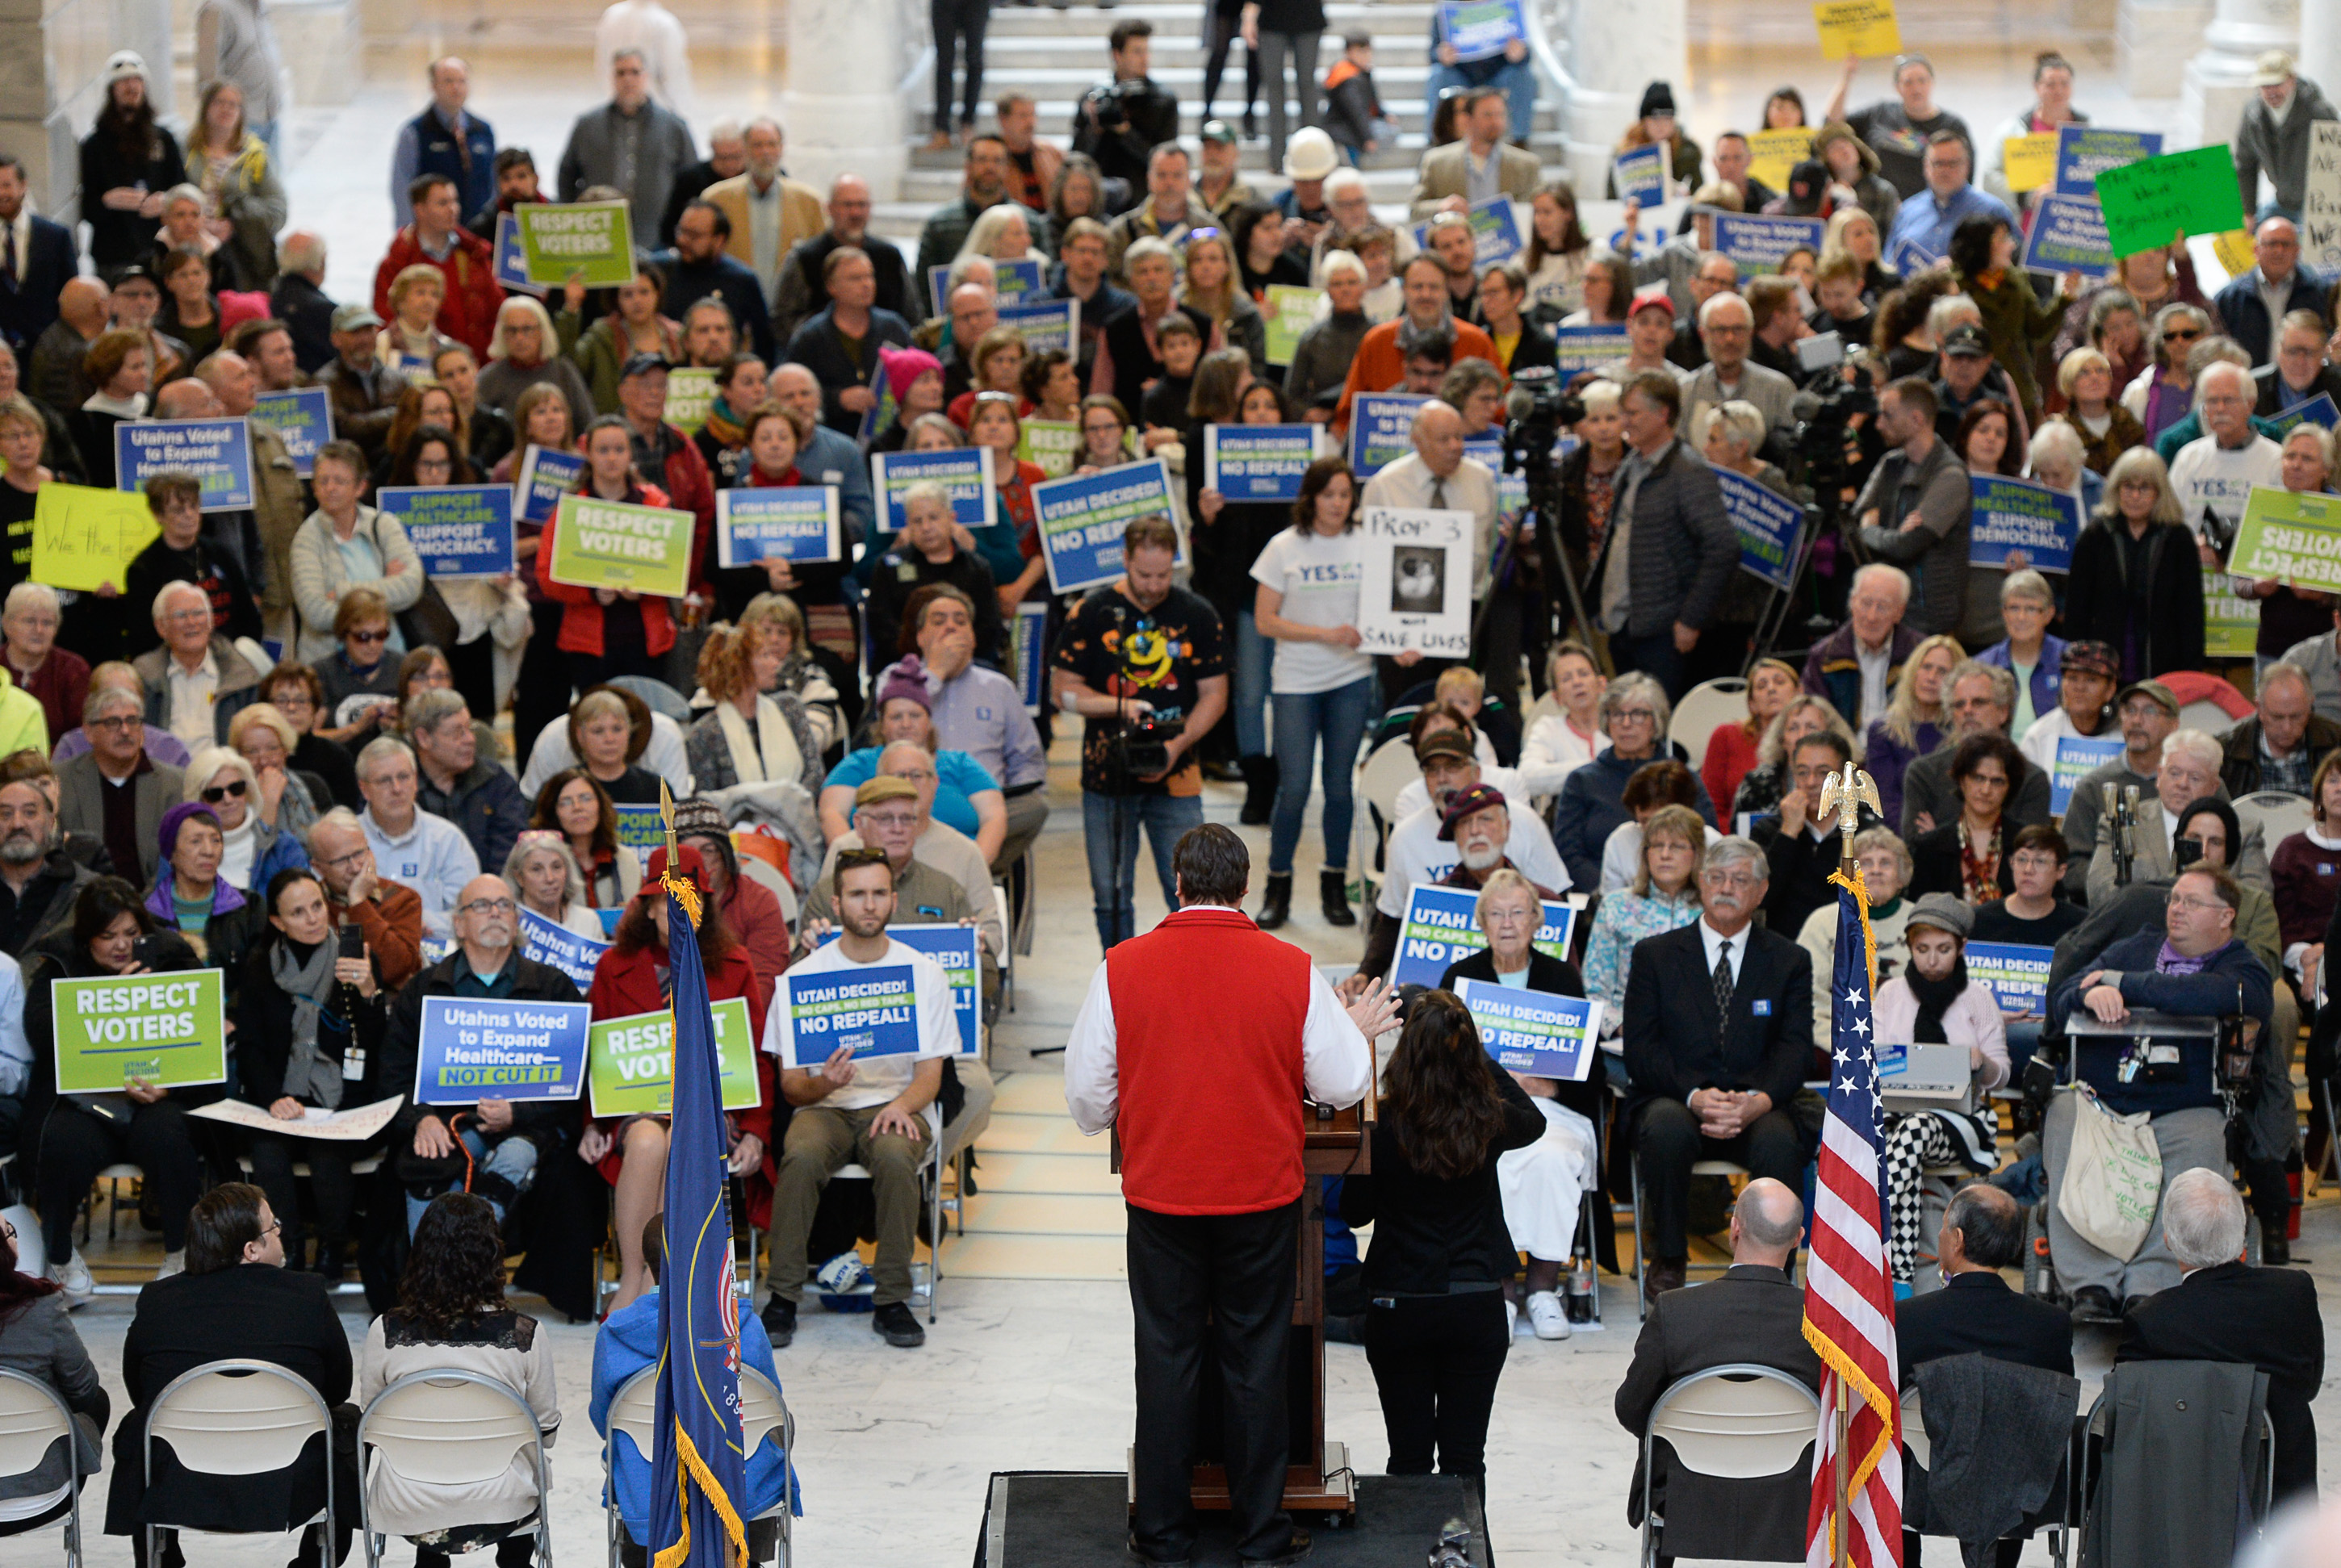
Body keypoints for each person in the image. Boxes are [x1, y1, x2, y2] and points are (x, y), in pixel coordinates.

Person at [1065, 823, 1384, 1567]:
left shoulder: (1122, 966)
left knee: (1167, 1359)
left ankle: (1165, 1535)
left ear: (1176, 884)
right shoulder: (1290, 966)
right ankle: (1262, 1535)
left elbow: (1086, 1100)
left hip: (1162, 1196)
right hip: (1261, 1197)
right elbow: (1341, 1085)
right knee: (1256, 1361)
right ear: (1246, 888)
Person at [1332, 986, 1542, 1486]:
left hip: (1399, 1304)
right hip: (1476, 1303)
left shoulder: (1381, 1124)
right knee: (1466, 1462)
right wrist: (1473, 1056)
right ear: (1469, 1049)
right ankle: (1461, 1561)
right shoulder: (1489, 1119)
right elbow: (1534, 1120)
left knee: (1407, 1460)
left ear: (1405, 1053)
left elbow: (1357, 1213)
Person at [2046, 864, 2272, 1317]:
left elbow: (2211, 997)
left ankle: (2151, 1285)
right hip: (2104, 1099)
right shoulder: (2138, 947)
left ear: (2226, 916)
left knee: (2205, 1139)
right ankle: (2091, 1284)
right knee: (2063, 1112)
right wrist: (2088, 995)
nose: (2177, 909)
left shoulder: (2243, 968)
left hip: (2185, 1105)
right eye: (2174, 899)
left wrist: (2122, 983)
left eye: (2192, 902)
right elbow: (2067, 989)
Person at [761, 848, 955, 1349]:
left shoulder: (923, 974)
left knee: (894, 1158)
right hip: (824, 1107)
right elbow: (792, 1088)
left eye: (878, 893)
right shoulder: (802, 978)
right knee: (800, 1156)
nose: (869, 905)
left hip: (897, 1102)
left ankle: (891, 1300)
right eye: (857, 894)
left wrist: (903, 1106)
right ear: (836, 901)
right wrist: (824, 1082)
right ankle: (782, 1296)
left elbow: (931, 1073)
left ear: (893, 899)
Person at [103, 1182, 353, 1567]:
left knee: (141, 1425)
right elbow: (337, 1388)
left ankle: (161, 1559)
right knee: (346, 1420)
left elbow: (143, 1393)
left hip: (182, 1477)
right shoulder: (308, 1295)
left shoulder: (158, 1300)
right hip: (290, 1476)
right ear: (251, 1250)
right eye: (274, 1228)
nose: (281, 1234)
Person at [580, 847, 772, 1312]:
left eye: (689, 897)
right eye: (668, 898)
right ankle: (633, 1277)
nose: (678, 908)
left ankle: (656, 1279)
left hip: (709, 1107)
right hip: (637, 1107)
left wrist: (756, 1133)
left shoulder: (735, 963)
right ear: (647, 907)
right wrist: (590, 1123)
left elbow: (758, 1056)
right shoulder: (613, 966)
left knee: (682, 1141)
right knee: (649, 1142)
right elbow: (596, 1054)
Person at [1623, 835, 1812, 1302]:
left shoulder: (1789, 960)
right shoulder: (1655, 955)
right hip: (1677, 1097)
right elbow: (1641, 1049)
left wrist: (1760, 1101)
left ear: (1762, 890)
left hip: (1758, 1101)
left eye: (1740, 879)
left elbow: (1795, 1048)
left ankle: (1774, 1269)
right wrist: (1694, 1095)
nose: (1727, 888)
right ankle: (1668, 1257)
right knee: (1665, 1128)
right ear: (1701, 884)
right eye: (1717, 877)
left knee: (1779, 1139)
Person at [1614, 1179, 1822, 1556]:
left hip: (1686, 1498)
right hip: (1791, 1499)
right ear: (1798, 1239)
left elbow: (1631, 1410)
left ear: (1735, 1228)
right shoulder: (1823, 1324)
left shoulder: (1675, 1310)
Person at [1437, 870, 1602, 1337]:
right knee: (1489, 1158)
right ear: (1482, 924)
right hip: (1482, 1110)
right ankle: (1502, 1291)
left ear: (1536, 921)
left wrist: (1552, 1088)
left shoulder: (1561, 976)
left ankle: (1544, 1288)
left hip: (1551, 1108)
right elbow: (1441, 1061)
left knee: (1552, 1156)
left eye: (1517, 913)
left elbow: (1589, 1066)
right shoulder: (1461, 977)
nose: (1507, 923)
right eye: (1496, 914)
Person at [355, 1191, 559, 1568]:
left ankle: (429, 1561)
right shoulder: (526, 1334)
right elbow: (545, 1430)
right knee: (528, 1457)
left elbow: (371, 1424)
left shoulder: (384, 1331)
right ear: (493, 1256)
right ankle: (514, 1562)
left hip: (409, 1501)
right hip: (501, 1503)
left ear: (421, 1254)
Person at [1052, 516, 1229, 951]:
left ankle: (1191, 983)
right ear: (1125, 561)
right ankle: (1118, 982)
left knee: (1194, 896)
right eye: (1143, 575)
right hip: (1106, 775)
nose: (1153, 585)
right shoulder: (1092, 612)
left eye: (1164, 575)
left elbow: (1215, 695)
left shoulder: (1197, 614)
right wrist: (1119, 707)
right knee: (1111, 894)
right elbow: (1062, 691)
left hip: (1179, 774)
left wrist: (1176, 745)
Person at [23, 876, 206, 1290]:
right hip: (85, 1105)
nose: (122, 945)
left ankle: (181, 1254)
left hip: (156, 1101)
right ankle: (60, 1256)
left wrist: (171, 1087)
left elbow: (200, 1036)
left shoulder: (174, 957)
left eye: (131, 934)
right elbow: (40, 1034)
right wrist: (106, 997)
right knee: (60, 1143)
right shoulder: (58, 963)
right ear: (86, 938)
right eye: (108, 936)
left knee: (169, 1137)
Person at [591, 1215, 794, 1562]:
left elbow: (603, 1422)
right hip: (742, 1500)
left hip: (649, 1502)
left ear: (647, 1265)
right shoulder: (743, 1324)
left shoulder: (615, 1333)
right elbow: (774, 1414)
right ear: (708, 1254)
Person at [2116, 1167, 2323, 1503]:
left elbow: (2128, 1421)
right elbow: (2310, 1383)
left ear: (2168, 1241)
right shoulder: (2295, 1292)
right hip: (2282, 1499)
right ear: (2242, 1236)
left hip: (2188, 1503)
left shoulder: (2151, 1321)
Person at [233, 865, 384, 1282]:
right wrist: (271, 1097)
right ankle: (289, 1246)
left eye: (317, 905)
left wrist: (370, 994)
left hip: (344, 1098)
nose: (314, 918)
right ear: (279, 922)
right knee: (267, 1153)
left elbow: (375, 1044)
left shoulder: (355, 959)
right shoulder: (261, 967)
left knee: (327, 1153)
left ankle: (334, 1246)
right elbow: (251, 1046)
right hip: (282, 1096)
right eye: (298, 913)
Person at [1246, 457, 1374, 929]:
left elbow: (1385, 606)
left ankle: (1334, 884)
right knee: (1295, 788)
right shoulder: (1284, 547)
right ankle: (1276, 885)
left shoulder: (1367, 543)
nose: (1338, 504)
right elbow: (1265, 621)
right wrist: (1326, 634)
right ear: (1311, 498)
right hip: (1296, 682)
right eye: (1329, 494)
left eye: (1345, 495)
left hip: (1351, 680)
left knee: (1340, 789)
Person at [1868, 894, 2010, 1287]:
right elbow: (1873, 1060)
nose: (1932, 960)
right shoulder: (1891, 994)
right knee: (1904, 1134)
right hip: (1897, 1117)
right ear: (1910, 948)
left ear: (1962, 947)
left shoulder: (1978, 998)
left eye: (1943, 950)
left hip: (1962, 1122)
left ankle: (1889, 1263)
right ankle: (1889, 1272)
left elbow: (2003, 1077)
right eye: (1922, 949)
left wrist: (1984, 1064)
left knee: (1913, 1131)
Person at [1582, 371, 1738, 700]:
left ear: (1663, 413)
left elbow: (1723, 547)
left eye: (1633, 413)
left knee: (1656, 722)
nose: (1625, 422)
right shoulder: (1633, 464)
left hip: (1663, 631)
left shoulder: (1689, 472)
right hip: (1624, 623)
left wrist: (1690, 619)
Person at [1551, 672, 1715, 891]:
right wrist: (1614, 896)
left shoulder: (1682, 778)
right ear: (1606, 721)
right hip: (1603, 893)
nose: (1626, 724)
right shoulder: (1582, 781)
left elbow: (1706, 841)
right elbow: (1569, 853)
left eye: (1638, 714)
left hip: (1681, 893)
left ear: (1656, 721)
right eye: (1617, 714)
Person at [2060, 447, 2207, 685]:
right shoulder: (2095, 535)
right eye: (2127, 487)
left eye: (2144, 488)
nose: (2134, 496)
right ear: (2116, 489)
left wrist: (2192, 673)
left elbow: (2191, 614)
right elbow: (2077, 611)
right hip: (2104, 664)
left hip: (2165, 664)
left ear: (2160, 493)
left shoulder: (2178, 538)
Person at [0, 1213, 107, 1537]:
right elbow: (85, 1391)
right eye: (10, 1233)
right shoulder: (42, 1308)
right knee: (97, 1402)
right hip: (42, 1496)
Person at [1856, 378, 1972, 639]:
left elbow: (1906, 546)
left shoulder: (1950, 476)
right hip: (1886, 610)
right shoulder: (1890, 464)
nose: (1879, 424)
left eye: (1887, 415)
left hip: (1929, 620)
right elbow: (1853, 524)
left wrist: (1871, 529)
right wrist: (1885, 534)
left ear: (1917, 419)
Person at [289, 440, 423, 664]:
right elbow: (316, 613)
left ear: (360, 487)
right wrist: (384, 589)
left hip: (389, 659)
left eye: (339, 481)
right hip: (328, 664)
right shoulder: (306, 539)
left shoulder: (384, 525)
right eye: (323, 481)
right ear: (313, 487)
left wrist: (342, 592)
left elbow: (411, 586)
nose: (330, 488)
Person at [556, 49, 696, 242]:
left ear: (646, 76)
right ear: (612, 78)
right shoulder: (587, 125)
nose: (628, 79)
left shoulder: (674, 126)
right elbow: (566, 173)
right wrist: (573, 217)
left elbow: (691, 178)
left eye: (635, 72)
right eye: (621, 73)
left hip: (657, 234)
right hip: (599, 234)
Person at [57, 685, 185, 887]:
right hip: (83, 905)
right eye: (113, 723)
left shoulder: (174, 784)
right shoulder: (62, 781)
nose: (125, 731)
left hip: (155, 906)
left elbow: (177, 861)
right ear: (89, 732)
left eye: (132, 721)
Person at [682, 619, 824, 796]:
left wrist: (784, 808)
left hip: (794, 817)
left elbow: (814, 774)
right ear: (739, 666)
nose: (776, 663)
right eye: (765, 656)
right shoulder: (704, 734)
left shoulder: (790, 708)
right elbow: (709, 800)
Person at [699, 119, 820, 306]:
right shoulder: (716, 199)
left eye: (772, 144)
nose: (766, 152)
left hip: (790, 307)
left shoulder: (809, 202)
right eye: (758, 145)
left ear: (781, 149)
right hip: (733, 304)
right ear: (744, 150)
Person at [1823, 52, 1974, 203]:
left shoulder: (1952, 126)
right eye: (1908, 82)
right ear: (1897, 87)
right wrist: (1846, 78)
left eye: (1922, 81)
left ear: (1932, 83)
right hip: (1876, 205)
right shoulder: (1881, 113)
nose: (1916, 89)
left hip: (1928, 209)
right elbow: (1833, 124)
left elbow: (1966, 175)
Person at [1908, 733, 2028, 902]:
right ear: (1962, 780)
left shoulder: (2026, 842)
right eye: (1978, 778)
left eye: (1997, 781)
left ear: (2010, 787)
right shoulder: (1930, 847)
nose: (1986, 790)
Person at [1804, 562, 1921, 732]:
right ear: (1852, 602)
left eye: (1882, 607)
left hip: (1902, 753)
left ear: (1899, 612)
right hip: (1844, 754)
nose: (1871, 616)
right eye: (1866, 603)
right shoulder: (1823, 656)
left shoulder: (1920, 654)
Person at [0, 755, 96, 958]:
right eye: (5, 814)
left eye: (30, 813)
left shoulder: (87, 893)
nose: (17, 824)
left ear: (51, 822)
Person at [1070, 19, 1181, 194]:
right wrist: (1093, 130)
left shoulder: (1163, 100)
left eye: (1147, 51)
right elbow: (1077, 160)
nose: (1145, 59)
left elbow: (1167, 160)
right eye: (1137, 52)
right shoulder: (1095, 99)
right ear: (1117, 55)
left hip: (1143, 195)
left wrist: (1126, 133)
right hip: (1101, 196)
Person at [389, 58, 494, 229]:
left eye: (462, 81)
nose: (456, 88)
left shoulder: (483, 131)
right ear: (433, 86)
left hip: (476, 234)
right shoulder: (415, 133)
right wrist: (407, 232)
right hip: (434, 235)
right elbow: (402, 188)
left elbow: (492, 185)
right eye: (448, 81)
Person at [2213, 218, 2324, 369]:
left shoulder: (2321, 292)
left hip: (2307, 387)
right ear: (2256, 250)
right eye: (2272, 244)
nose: (2279, 251)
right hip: (2248, 386)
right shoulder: (2230, 298)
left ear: (2297, 250)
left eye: (2286, 244)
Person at [2220, 661, 2336, 801]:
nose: (2287, 727)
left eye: (2296, 716)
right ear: (2259, 708)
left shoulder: (2335, 743)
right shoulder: (2227, 749)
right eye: (2277, 717)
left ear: (2310, 705)